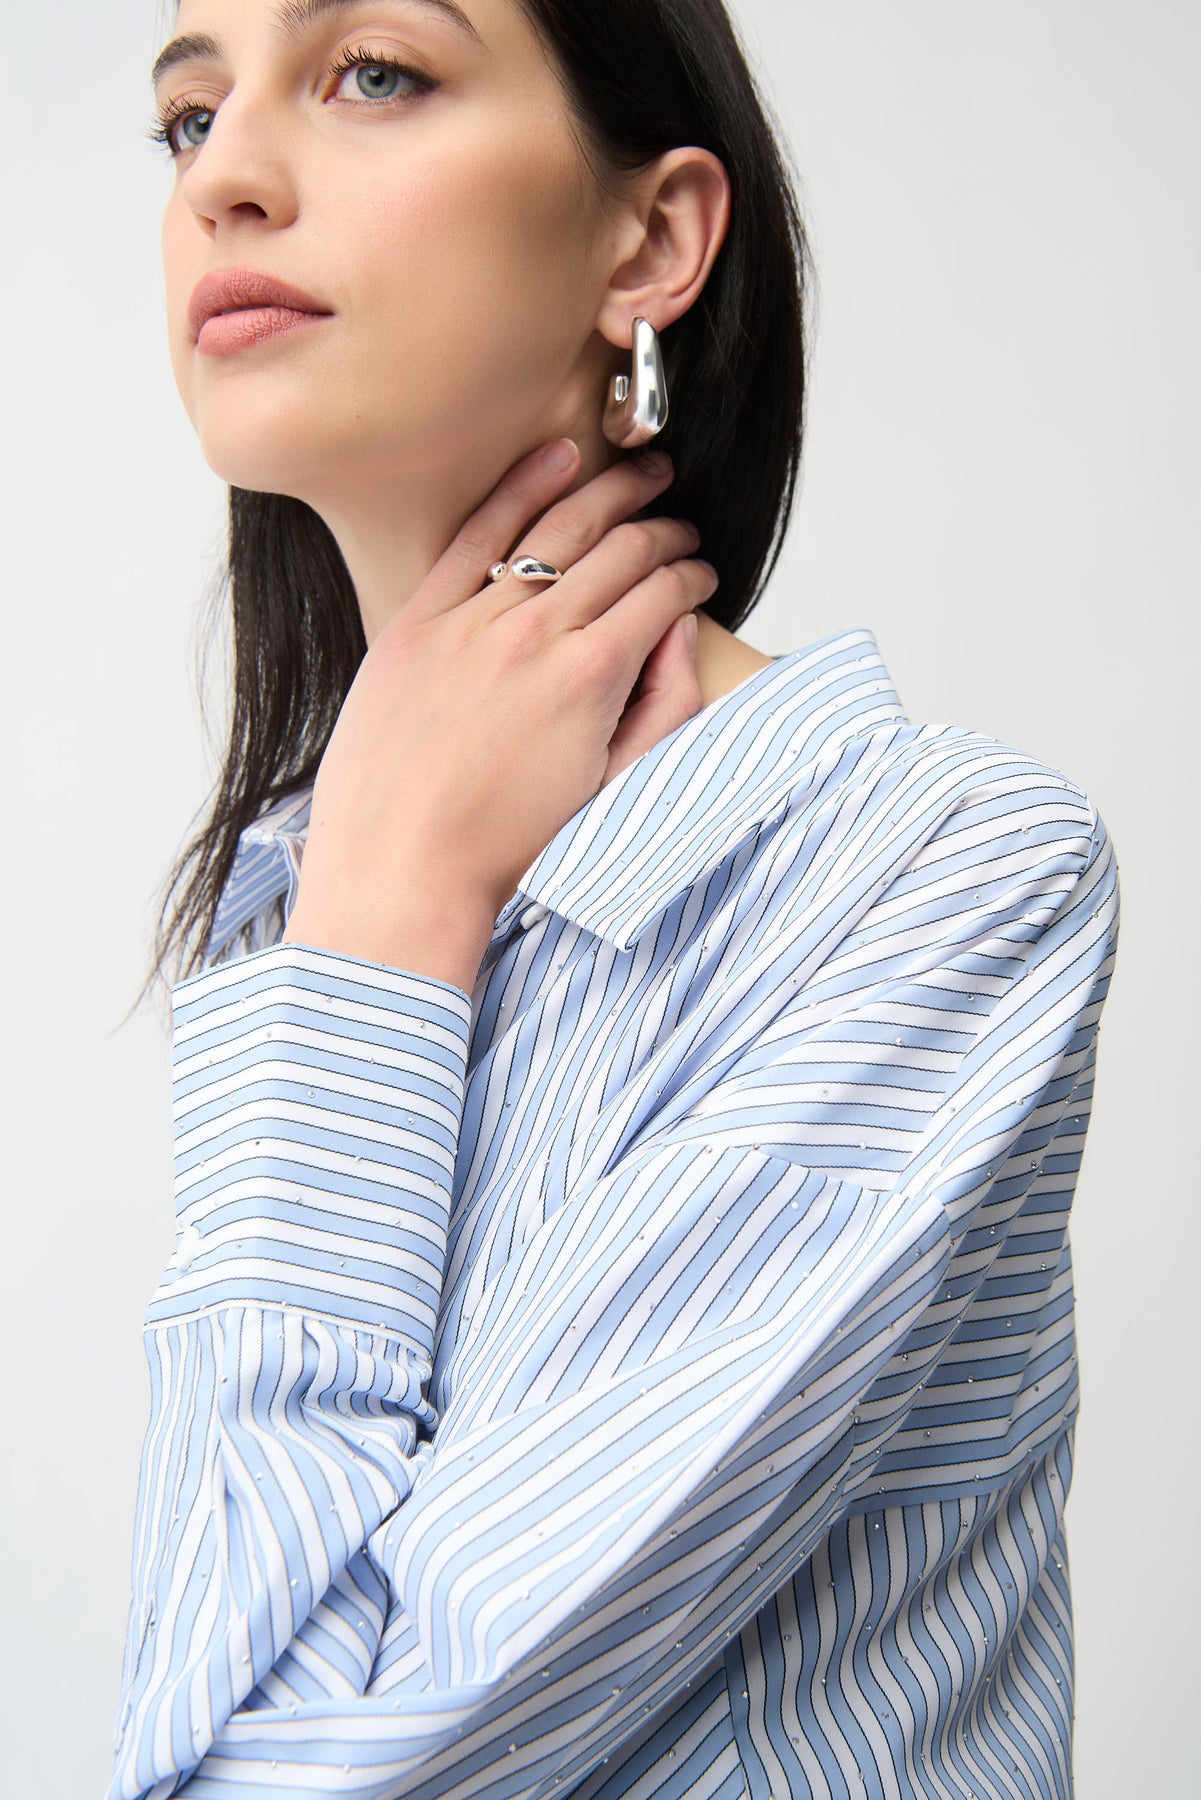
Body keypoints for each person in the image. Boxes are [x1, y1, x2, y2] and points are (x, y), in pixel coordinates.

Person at [107, 0, 1121, 1795]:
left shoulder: (939, 872)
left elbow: (280, 1768)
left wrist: (381, 923)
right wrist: (377, 909)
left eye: (373, 73)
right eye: (190, 115)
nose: (226, 177)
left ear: (650, 239)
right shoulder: (306, 898)